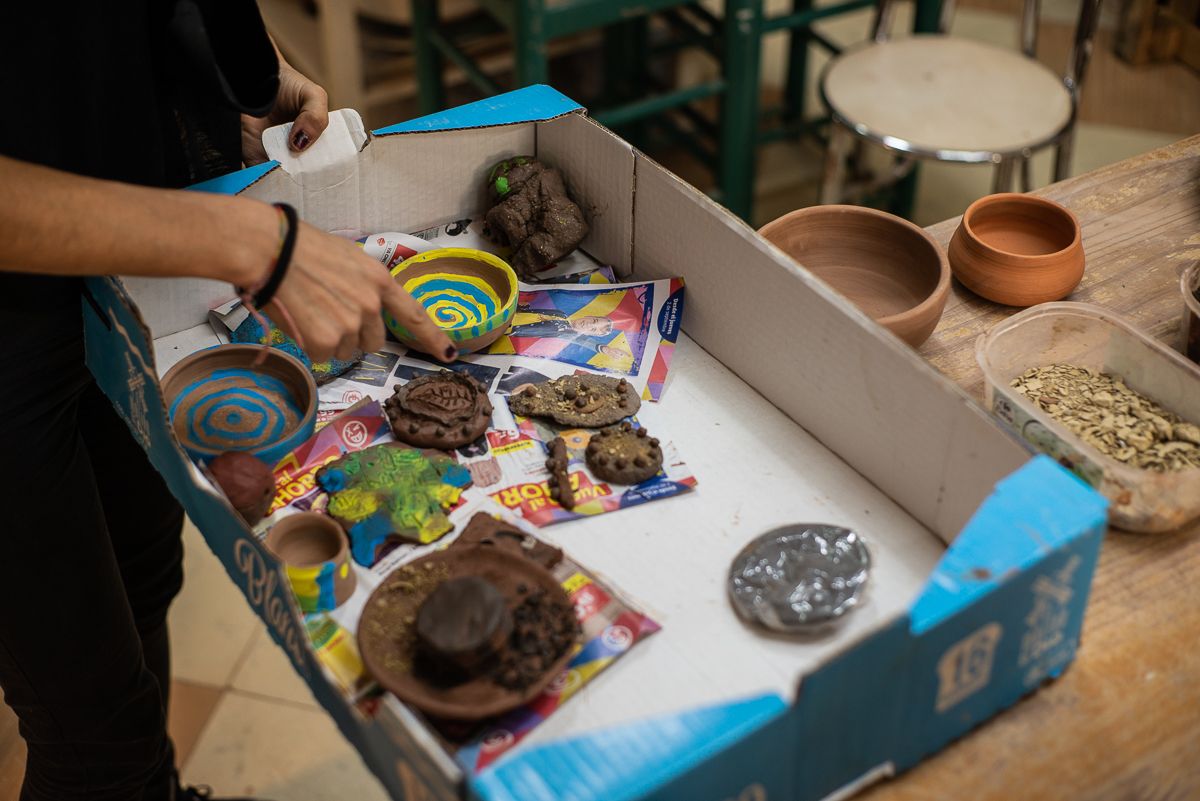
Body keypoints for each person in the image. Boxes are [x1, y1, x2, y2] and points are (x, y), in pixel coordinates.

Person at [0, 4, 453, 800]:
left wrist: (245, 69)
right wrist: (252, 241)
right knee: (97, 746)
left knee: (143, 584)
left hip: (126, 258)